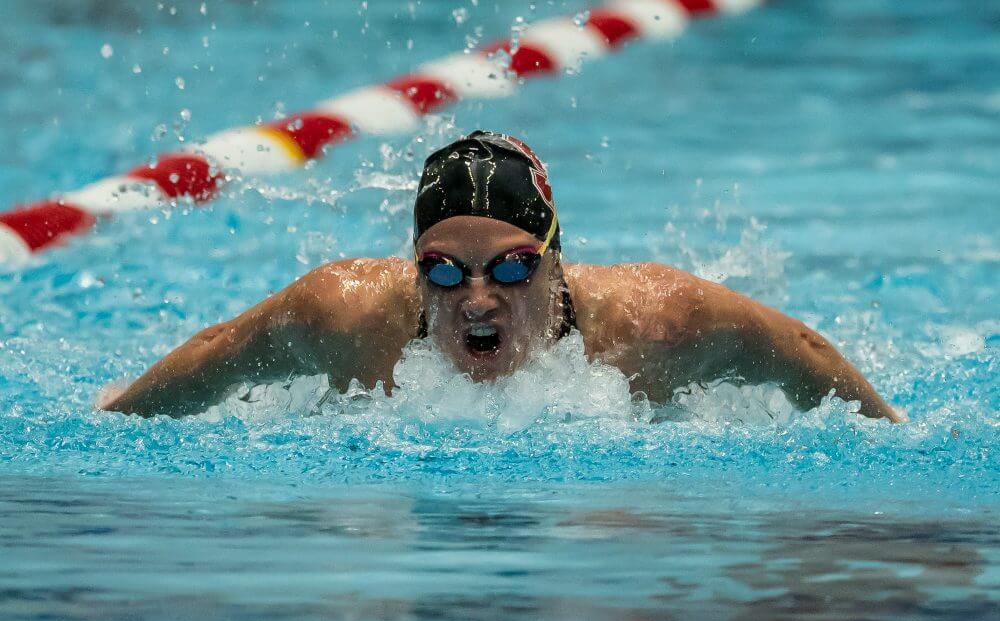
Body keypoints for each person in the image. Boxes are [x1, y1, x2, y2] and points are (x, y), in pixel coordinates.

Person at [101, 131, 900, 422]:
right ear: (414, 275)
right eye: (445, 273)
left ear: (556, 262)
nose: (478, 299)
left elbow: (803, 353)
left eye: (512, 268)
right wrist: (111, 419)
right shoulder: (343, 315)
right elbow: (222, 351)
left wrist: (894, 444)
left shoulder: (656, 323)